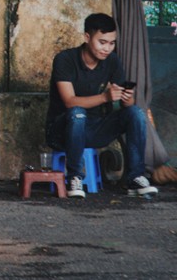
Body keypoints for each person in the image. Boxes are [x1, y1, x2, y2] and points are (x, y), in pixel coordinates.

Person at [46, 13, 157, 198]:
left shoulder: (112, 61)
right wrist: (105, 97)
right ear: (87, 37)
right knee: (77, 113)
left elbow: (126, 105)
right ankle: (74, 177)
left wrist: (127, 96)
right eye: (102, 42)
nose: (107, 48)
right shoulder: (65, 60)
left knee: (136, 113)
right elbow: (69, 101)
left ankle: (136, 177)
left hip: (95, 128)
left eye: (111, 43)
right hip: (62, 130)